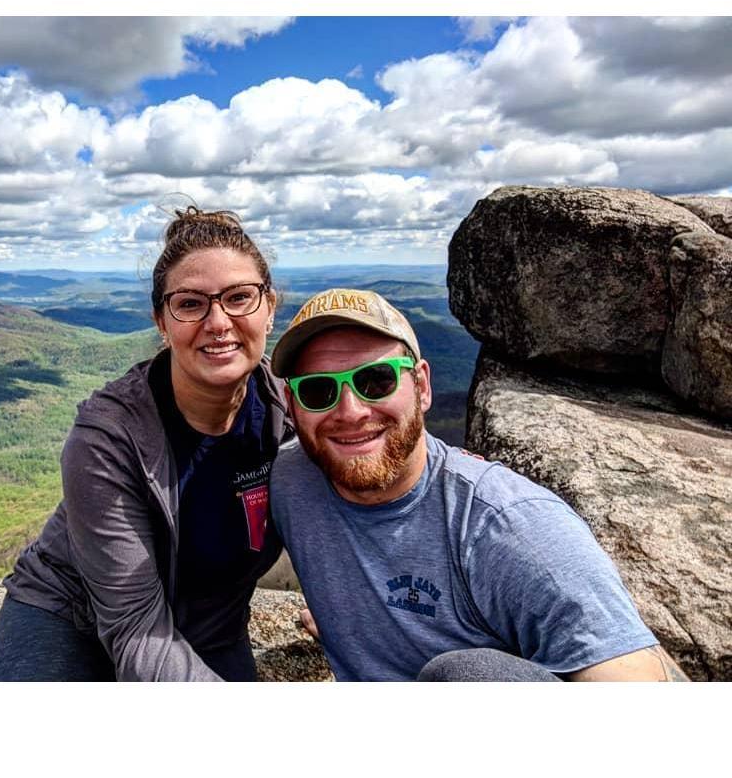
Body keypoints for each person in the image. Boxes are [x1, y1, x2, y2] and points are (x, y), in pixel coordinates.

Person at [268, 287, 689, 682]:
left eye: (377, 380)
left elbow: (635, 677)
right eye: (318, 390)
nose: (351, 411)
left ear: (422, 386)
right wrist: (348, 617)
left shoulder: (509, 526)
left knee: (468, 674)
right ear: (293, 406)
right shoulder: (291, 479)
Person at [0, 208, 289, 681]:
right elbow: (134, 627)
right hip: (71, 618)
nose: (218, 321)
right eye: (190, 304)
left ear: (270, 307)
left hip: (210, 625)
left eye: (239, 298)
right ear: (162, 323)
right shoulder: (108, 438)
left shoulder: (294, 411)